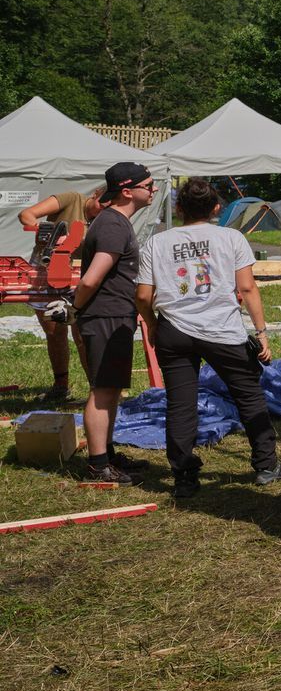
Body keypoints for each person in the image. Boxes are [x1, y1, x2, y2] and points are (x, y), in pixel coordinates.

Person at [136, 177, 281, 499]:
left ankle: (183, 477)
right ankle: (266, 464)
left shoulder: (156, 242)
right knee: (249, 396)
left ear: (178, 208)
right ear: (217, 207)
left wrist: (151, 324)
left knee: (180, 403)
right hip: (223, 329)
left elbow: (142, 295)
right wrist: (262, 333)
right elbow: (247, 289)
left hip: (173, 330)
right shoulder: (230, 237)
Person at [71, 161, 159, 483]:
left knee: (111, 389)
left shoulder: (114, 222)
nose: (154, 190)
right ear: (127, 191)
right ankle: (98, 466)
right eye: (148, 186)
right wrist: (76, 308)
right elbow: (92, 279)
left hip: (112, 314)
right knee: (103, 391)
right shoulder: (112, 225)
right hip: (104, 315)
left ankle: (106, 454)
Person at [15, 185, 102, 405]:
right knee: (54, 331)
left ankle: (97, 391)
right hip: (47, 270)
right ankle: (60, 386)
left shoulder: (107, 219)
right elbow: (26, 215)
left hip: (78, 274)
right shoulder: (72, 199)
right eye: (104, 202)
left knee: (83, 334)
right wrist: (45, 234)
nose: (105, 208)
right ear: (95, 195)